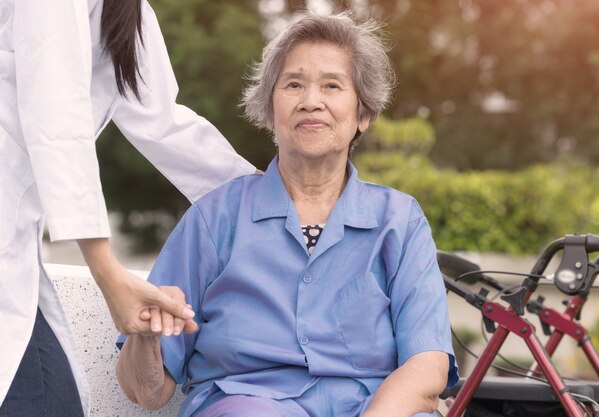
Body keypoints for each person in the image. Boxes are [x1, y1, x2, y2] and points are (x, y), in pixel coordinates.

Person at [116, 12, 458, 417]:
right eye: (294, 84)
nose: (311, 101)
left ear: (363, 114)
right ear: (268, 111)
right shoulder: (215, 219)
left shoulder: (399, 220)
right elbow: (147, 393)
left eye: (332, 85)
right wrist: (146, 338)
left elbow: (428, 363)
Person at [0, 0, 256, 415]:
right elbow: (56, 116)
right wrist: (107, 271)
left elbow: (163, 122)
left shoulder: (129, 10)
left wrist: (270, 196)